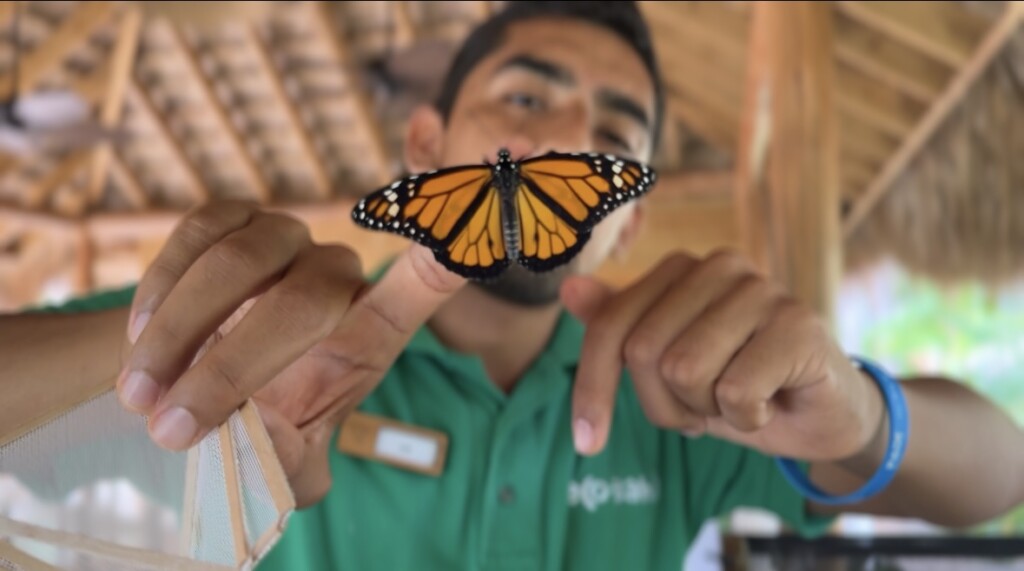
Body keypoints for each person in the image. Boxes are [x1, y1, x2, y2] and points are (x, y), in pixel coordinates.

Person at [4, 2, 1023, 570]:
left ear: (629, 214)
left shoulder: (683, 390)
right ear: (425, 149)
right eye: (525, 95)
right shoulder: (266, 334)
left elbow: (998, 473)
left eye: (613, 138)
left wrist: (857, 413)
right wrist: (160, 357)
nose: (563, 141)